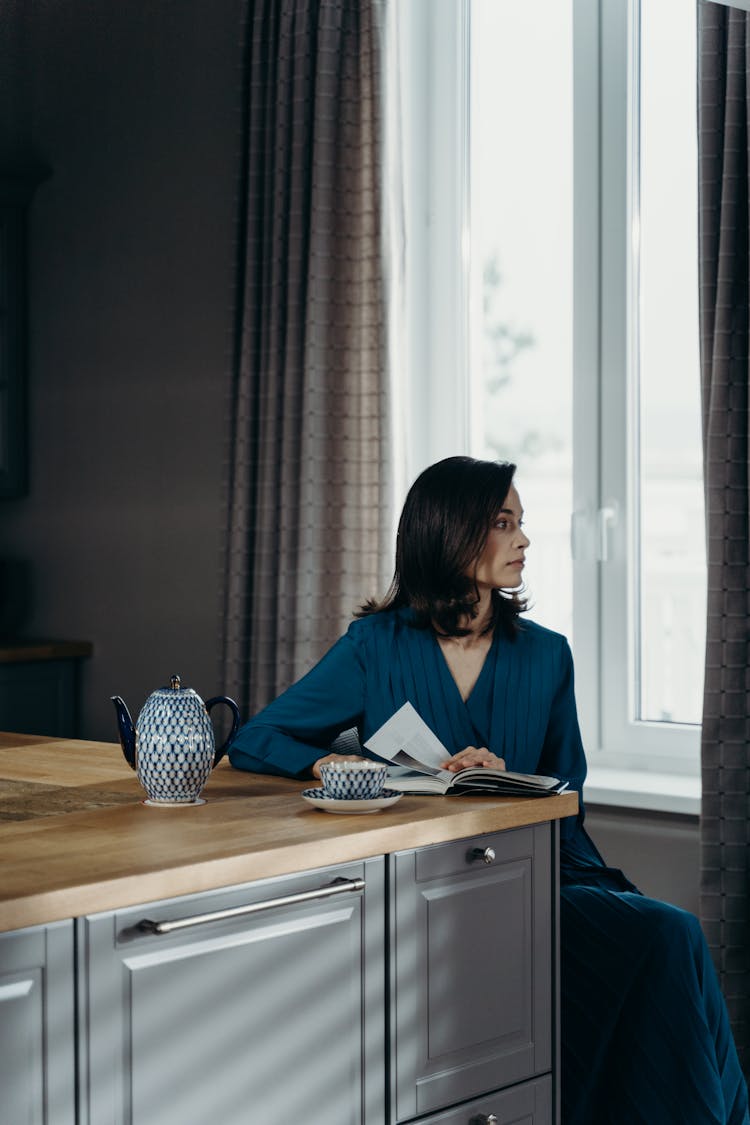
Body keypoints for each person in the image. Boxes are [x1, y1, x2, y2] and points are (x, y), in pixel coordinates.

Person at [229, 455, 749, 1125]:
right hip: (424, 879)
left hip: (544, 872)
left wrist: (505, 783)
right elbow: (255, 738)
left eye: (521, 522)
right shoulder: (375, 648)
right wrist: (326, 766)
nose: (524, 539)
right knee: (667, 941)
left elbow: (571, 798)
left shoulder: (546, 654)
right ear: (451, 532)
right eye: (504, 523)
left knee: (665, 936)